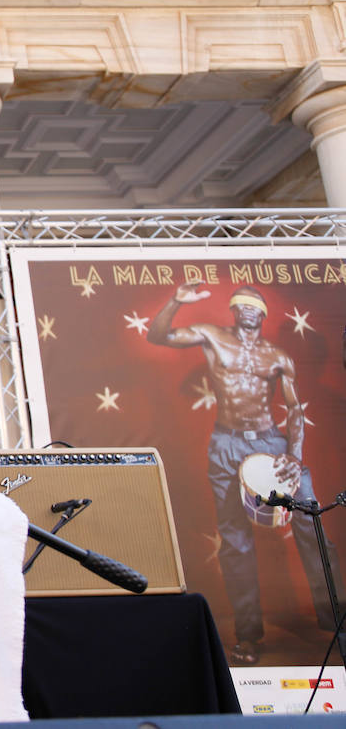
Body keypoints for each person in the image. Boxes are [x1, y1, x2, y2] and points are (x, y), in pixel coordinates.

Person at [148, 282, 345, 665]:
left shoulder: (277, 356)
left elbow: (295, 409)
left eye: (256, 305)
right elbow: (158, 336)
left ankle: (338, 623)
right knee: (236, 539)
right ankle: (249, 636)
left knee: (311, 524)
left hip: (271, 442)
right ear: (234, 310)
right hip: (226, 444)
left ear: (264, 314)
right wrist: (175, 301)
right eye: (242, 303)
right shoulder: (212, 336)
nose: (249, 309)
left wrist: (294, 453)